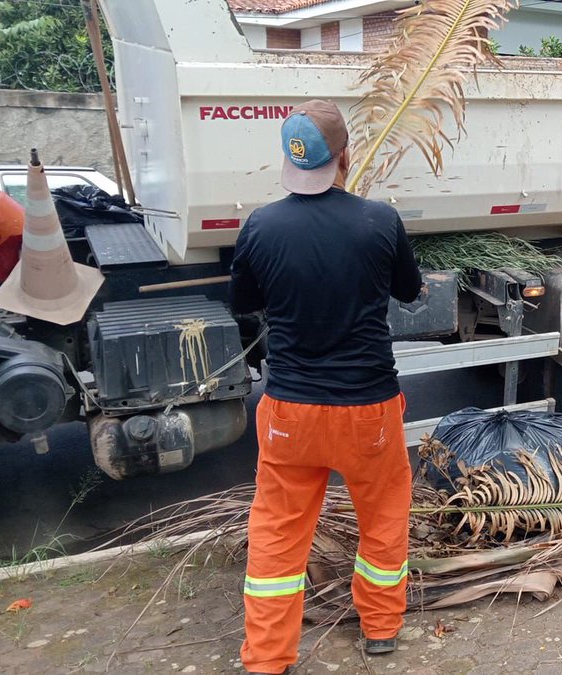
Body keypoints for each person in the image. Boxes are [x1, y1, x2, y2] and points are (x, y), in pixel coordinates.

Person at [230, 99, 423, 674]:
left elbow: (243, 303)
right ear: (346, 156)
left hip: (290, 410)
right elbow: (409, 291)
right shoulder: (379, 220)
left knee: (277, 535)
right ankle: (381, 632)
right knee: (384, 518)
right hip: (368, 409)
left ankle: (267, 657)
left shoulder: (261, 225)